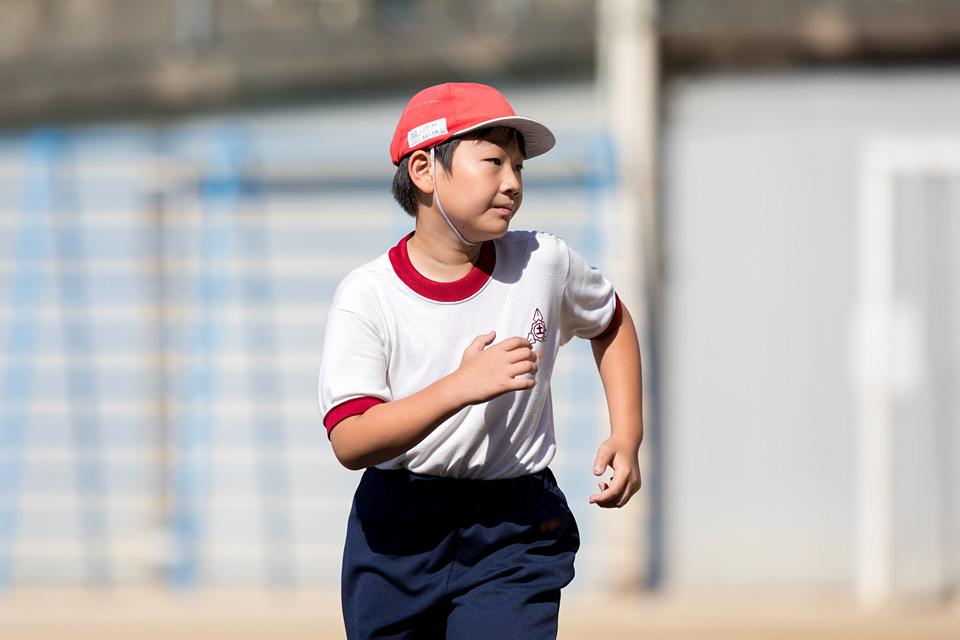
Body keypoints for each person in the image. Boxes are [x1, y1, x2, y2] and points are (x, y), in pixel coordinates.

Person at [318, 82, 643, 640]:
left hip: (515, 526)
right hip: (398, 532)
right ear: (424, 170)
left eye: (519, 167)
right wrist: (460, 386)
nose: (512, 182)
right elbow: (351, 440)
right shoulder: (367, 295)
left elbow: (610, 321)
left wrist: (627, 433)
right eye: (494, 161)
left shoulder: (545, 262)